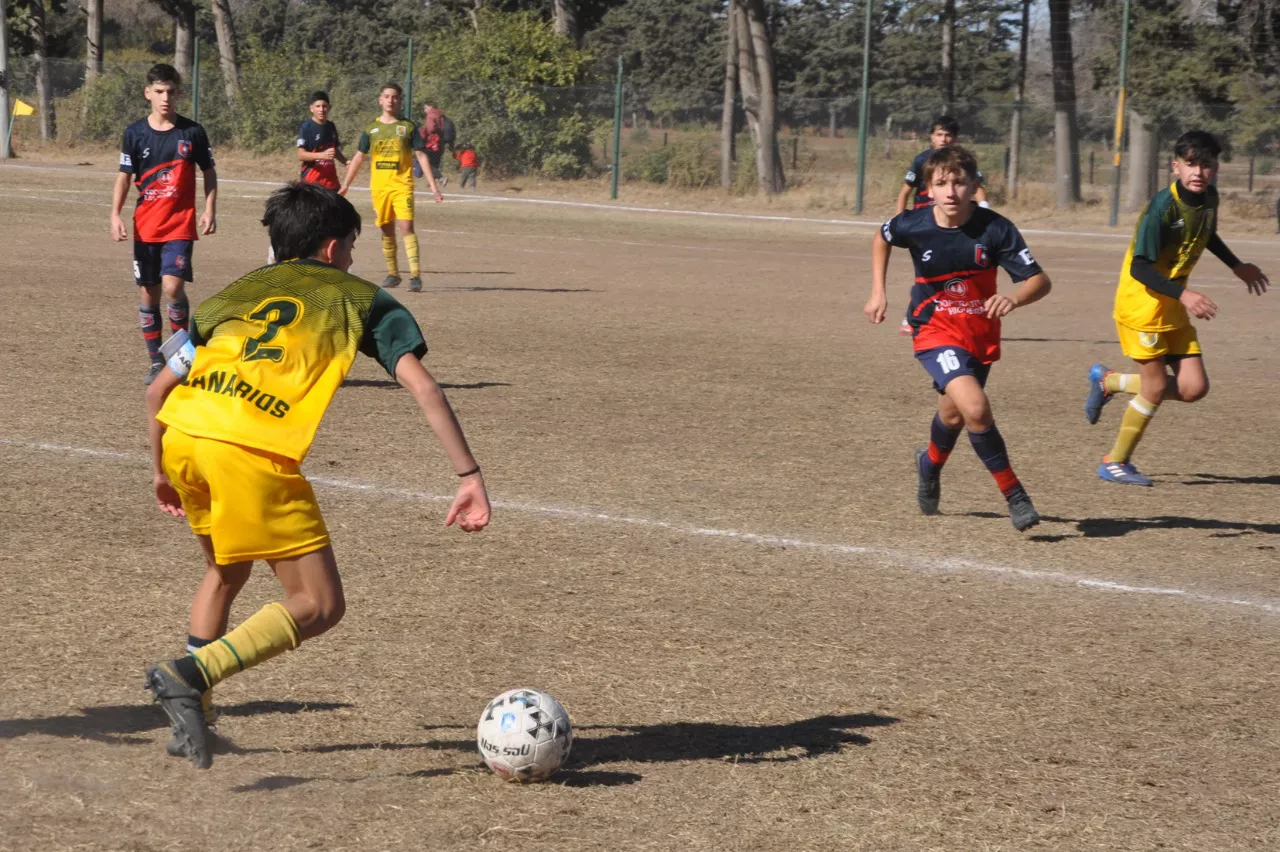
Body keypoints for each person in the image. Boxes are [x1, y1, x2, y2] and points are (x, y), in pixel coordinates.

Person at [143, 182, 491, 769]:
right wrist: (469, 474)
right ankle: (189, 674)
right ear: (332, 249)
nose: (354, 258)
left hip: (182, 436)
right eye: (353, 246)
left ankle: (191, 717)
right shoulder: (358, 297)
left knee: (224, 573)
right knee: (320, 604)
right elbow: (423, 385)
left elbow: (157, 387)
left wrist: (160, 471)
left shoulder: (237, 292)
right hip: (247, 451)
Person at [865, 145, 1051, 531]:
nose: (950, 192)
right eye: (941, 183)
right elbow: (882, 237)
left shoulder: (995, 228)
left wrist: (1014, 298)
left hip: (979, 334)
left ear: (973, 186)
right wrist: (878, 291)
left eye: (959, 182)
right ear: (928, 190)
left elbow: (1040, 281)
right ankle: (1016, 497)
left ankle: (929, 464)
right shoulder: (913, 223)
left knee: (953, 414)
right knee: (977, 408)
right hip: (933, 330)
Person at [1084, 130, 1269, 486]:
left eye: (1206, 164)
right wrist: (1185, 295)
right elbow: (1140, 266)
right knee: (1154, 388)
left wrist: (1236, 264)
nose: (1198, 172)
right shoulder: (1162, 209)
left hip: (1171, 306)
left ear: (1215, 167)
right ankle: (1114, 461)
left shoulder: (1209, 198)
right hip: (1143, 308)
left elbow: (1205, 232)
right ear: (1175, 166)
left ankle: (1109, 381)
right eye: (1191, 164)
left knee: (1193, 388)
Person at [110, 62, 217, 385]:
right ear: (148, 93)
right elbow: (124, 178)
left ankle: (183, 355)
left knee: (173, 287)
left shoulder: (192, 132)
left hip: (180, 225)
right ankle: (157, 361)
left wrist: (210, 208)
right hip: (146, 227)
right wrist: (114, 214)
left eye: (170, 91)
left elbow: (209, 172)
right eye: (159, 91)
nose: (165, 97)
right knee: (149, 296)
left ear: (178, 93)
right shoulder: (134, 133)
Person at [339, 83, 442, 293]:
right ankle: (393, 274)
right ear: (380, 100)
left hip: (402, 186)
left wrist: (433, 187)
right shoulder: (371, 129)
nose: (390, 100)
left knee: (406, 228)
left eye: (394, 97)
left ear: (399, 100)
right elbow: (359, 156)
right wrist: (346, 185)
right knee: (386, 230)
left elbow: (421, 155)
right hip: (379, 188)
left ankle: (415, 275)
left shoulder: (408, 127)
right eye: (386, 96)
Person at [894, 116, 989, 337]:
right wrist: (901, 221)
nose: (944, 139)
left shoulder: (963, 163)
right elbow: (905, 192)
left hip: (954, 225)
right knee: (927, 273)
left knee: (946, 272)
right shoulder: (922, 161)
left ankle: (944, 316)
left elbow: (979, 190)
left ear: (955, 138)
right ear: (931, 136)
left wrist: (986, 212)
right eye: (939, 134)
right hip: (924, 225)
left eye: (948, 135)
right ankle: (912, 318)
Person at [297, 90, 347, 190]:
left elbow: (334, 150)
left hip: (331, 183)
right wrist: (322, 155)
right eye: (318, 106)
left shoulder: (331, 126)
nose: (321, 109)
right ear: (311, 108)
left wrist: (346, 162)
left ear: (329, 107)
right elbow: (301, 155)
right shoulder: (307, 127)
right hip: (312, 183)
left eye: (324, 106)